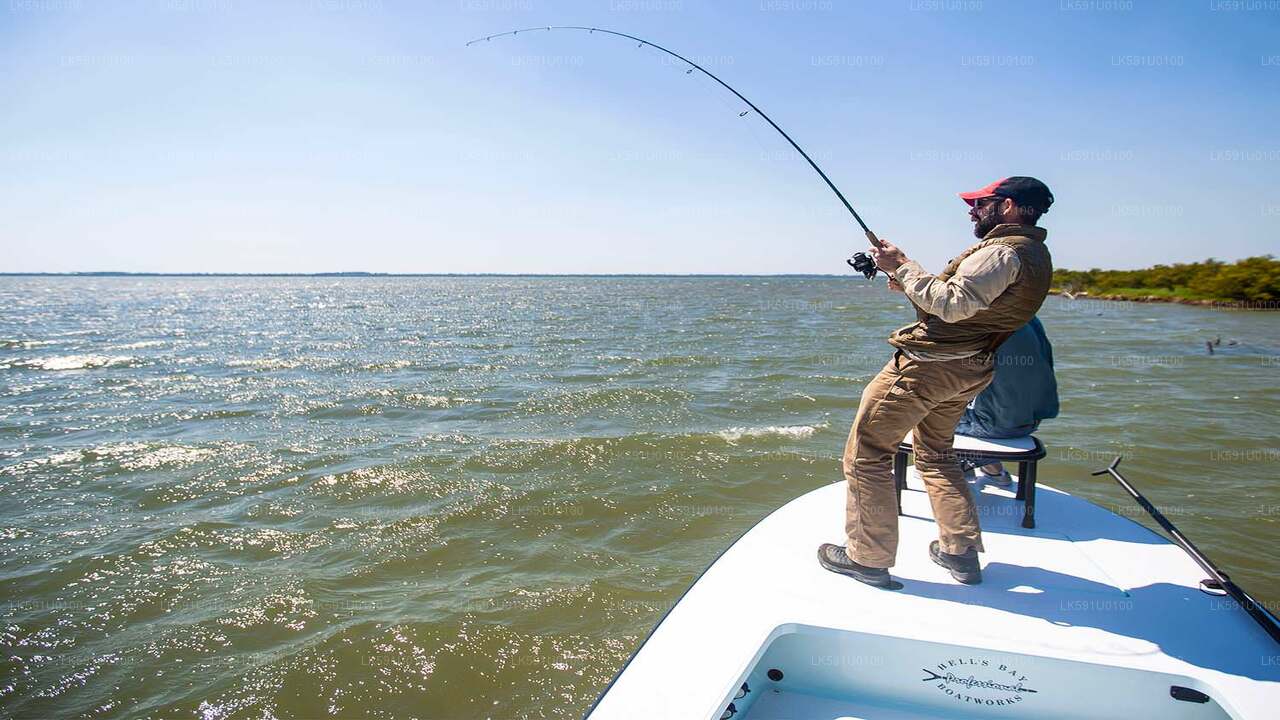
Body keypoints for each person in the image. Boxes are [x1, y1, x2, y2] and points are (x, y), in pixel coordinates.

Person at [817, 176, 1055, 588]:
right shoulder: (1035, 253)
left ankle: (867, 559)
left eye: (981, 203)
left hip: (928, 368)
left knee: (867, 454)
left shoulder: (1001, 252)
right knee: (936, 455)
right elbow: (967, 305)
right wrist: (903, 274)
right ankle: (959, 552)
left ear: (1009, 206)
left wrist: (903, 266)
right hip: (969, 369)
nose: (972, 210)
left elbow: (951, 304)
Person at [956, 315, 1059, 487]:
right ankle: (994, 471)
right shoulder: (1029, 318)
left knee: (927, 412)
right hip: (1030, 422)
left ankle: (956, 469)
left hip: (995, 427)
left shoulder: (982, 324)